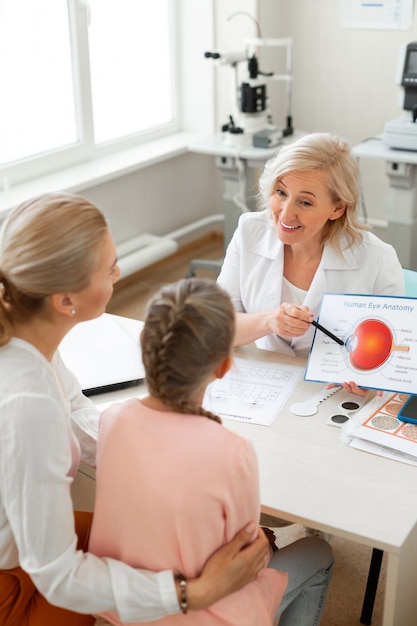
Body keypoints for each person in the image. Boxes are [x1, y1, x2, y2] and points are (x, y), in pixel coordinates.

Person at [0, 192, 274, 626]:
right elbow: (57, 574)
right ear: (64, 300)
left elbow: (76, 411)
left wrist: (159, 444)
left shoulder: (32, 341)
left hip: (29, 542)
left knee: (160, 533)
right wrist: (195, 592)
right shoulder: (26, 404)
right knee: (204, 565)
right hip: (19, 582)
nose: (119, 272)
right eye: (109, 268)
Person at [88, 277, 333, 626]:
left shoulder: (111, 419)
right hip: (204, 614)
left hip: (124, 603)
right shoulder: (232, 452)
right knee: (318, 551)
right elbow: (250, 554)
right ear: (223, 366)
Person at [217, 132, 405, 396]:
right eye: (281, 192)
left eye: (305, 202)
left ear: (337, 208)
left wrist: (370, 378)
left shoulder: (377, 259)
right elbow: (216, 330)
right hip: (263, 383)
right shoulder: (250, 232)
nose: (285, 213)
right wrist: (269, 322)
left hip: (332, 394)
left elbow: (395, 360)